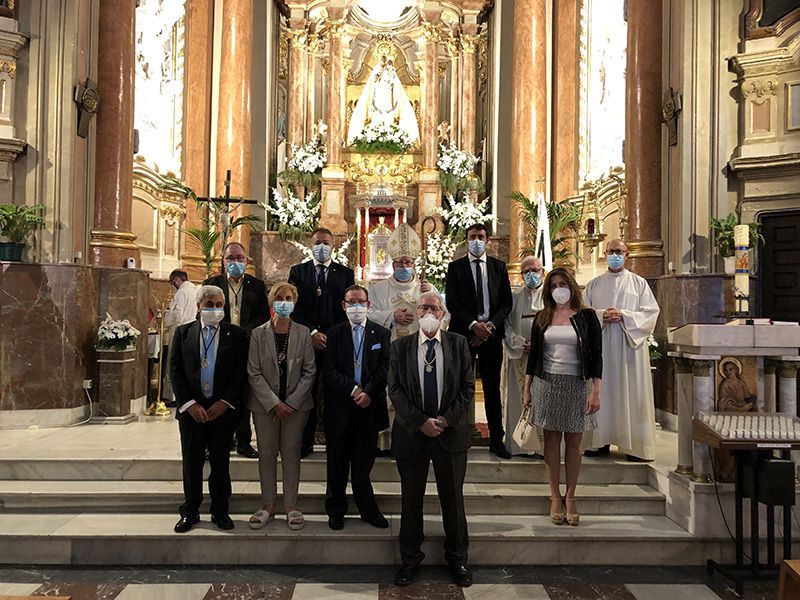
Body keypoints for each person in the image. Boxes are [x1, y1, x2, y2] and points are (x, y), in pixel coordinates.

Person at [388, 292, 474, 588]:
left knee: (453, 500)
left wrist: (445, 420)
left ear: (442, 313)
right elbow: (395, 390)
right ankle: (410, 559)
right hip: (412, 434)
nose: (427, 311)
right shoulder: (400, 347)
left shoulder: (459, 344)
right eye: (423, 307)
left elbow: (467, 387)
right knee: (411, 501)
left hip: (449, 434)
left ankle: (458, 559)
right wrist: (421, 422)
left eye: (433, 307)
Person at [523, 268, 602, 527]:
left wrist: (596, 390)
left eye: (563, 283)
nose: (559, 288)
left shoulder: (587, 317)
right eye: (554, 285)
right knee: (552, 442)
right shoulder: (543, 317)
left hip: (576, 383)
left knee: (575, 444)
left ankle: (571, 496)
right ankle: (555, 496)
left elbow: (596, 356)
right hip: (547, 383)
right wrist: (527, 388)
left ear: (572, 286)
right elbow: (533, 357)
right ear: (549, 290)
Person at [170, 285, 248, 533]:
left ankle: (220, 510)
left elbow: (240, 373)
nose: (214, 309)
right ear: (198, 307)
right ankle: (190, 511)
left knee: (220, 463)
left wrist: (225, 402)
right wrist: (189, 404)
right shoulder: (183, 333)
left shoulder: (236, 334)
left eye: (218, 305)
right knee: (191, 463)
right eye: (209, 305)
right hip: (192, 411)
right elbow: (175, 370)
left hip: (221, 411)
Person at [582, 239, 661, 462]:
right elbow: (582, 314)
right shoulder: (594, 284)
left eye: (619, 251)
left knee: (631, 393)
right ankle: (598, 442)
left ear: (627, 255)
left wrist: (625, 315)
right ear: (605, 254)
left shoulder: (639, 284)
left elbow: (651, 313)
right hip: (602, 349)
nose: (614, 255)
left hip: (629, 350)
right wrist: (600, 315)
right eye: (610, 251)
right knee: (602, 392)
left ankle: (634, 446)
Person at [246, 282, 316, 531]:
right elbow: (253, 373)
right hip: (265, 406)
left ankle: (290, 506)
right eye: (279, 297)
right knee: (266, 454)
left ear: (294, 302)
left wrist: (291, 403)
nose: (284, 301)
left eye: (288, 297)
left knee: (290, 453)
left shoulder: (304, 333)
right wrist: (275, 404)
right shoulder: (258, 334)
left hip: (297, 406)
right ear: (272, 301)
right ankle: (267, 505)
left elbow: (309, 372)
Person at [323, 285, 391, 530]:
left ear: (368, 305)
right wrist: (354, 390)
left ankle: (367, 509)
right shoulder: (335, 334)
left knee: (363, 466)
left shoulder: (381, 334)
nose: (356, 306)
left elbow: (385, 367)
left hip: (369, 409)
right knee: (337, 465)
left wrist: (369, 391)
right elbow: (329, 370)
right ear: (344, 305)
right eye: (351, 302)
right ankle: (336, 510)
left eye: (360, 302)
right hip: (341, 408)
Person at [445, 222, 513, 459]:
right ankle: (456, 435)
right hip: (464, 335)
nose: (476, 240)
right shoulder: (455, 268)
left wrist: (489, 326)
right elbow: (452, 302)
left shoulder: (498, 267)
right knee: (458, 386)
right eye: (472, 236)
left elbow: (506, 303)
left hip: (491, 336)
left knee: (492, 388)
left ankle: (496, 438)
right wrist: (474, 326)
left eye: (480, 236)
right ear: (467, 240)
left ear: (488, 240)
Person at [289, 227, 355, 457]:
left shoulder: (345, 273)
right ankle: (305, 442)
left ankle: (335, 442)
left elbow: (347, 306)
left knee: (335, 393)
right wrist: (312, 332)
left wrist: (331, 334)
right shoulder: (298, 272)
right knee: (306, 392)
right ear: (310, 245)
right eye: (318, 242)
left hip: (334, 342)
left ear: (333, 246)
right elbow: (292, 306)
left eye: (326, 243)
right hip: (307, 341)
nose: (322, 247)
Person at [368, 222, 433, 454]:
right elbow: (368, 315)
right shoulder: (377, 288)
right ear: (392, 263)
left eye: (408, 262)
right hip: (389, 351)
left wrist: (430, 297)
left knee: (415, 394)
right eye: (399, 263)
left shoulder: (426, 290)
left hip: (419, 353)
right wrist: (392, 316)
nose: (404, 266)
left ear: (414, 265)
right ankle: (385, 442)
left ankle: (412, 438)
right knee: (387, 394)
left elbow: (442, 318)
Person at [203, 241, 269, 459]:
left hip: (247, 345)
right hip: (218, 345)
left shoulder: (257, 285)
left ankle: (243, 441)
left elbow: (263, 315)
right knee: (217, 392)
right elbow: (203, 312)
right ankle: (217, 440)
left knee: (242, 395)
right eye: (230, 258)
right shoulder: (211, 283)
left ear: (246, 260)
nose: (235, 262)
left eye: (239, 258)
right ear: (223, 261)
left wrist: (245, 332)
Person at [503, 256, 545, 455]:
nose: (531, 275)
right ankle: (520, 445)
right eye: (526, 272)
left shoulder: (552, 296)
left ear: (542, 271)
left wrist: (541, 344)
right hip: (520, 355)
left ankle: (543, 447)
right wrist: (519, 342)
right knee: (521, 399)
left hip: (546, 357)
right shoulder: (514, 297)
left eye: (534, 270)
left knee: (543, 400)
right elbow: (506, 325)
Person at [161, 269, 197, 404]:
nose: (172, 285)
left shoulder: (181, 293)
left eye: (171, 281)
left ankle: (174, 396)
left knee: (175, 363)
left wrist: (165, 316)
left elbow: (176, 315)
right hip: (191, 330)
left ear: (176, 279)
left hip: (179, 331)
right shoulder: (194, 290)